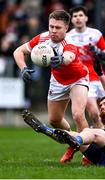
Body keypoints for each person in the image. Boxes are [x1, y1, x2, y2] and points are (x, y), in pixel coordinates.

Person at [22, 60, 105, 166]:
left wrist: (100, 74)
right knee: (71, 134)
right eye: (101, 105)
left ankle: (77, 141)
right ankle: (46, 129)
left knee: (88, 132)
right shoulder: (104, 124)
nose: (102, 106)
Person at [13, 10, 89, 161]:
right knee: (54, 120)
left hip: (78, 79)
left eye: (58, 28)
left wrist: (60, 59)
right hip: (58, 81)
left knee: (78, 115)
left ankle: (88, 153)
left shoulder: (70, 41)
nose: (53, 31)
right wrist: (23, 68)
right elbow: (18, 51)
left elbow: (69, 57)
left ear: (66, 27)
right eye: (51, 26)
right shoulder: (42, 38)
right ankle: (72, 143)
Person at [68, 6, 105, 128]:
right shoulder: (68, 37)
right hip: (84, 80)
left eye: (80, 15)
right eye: (75, 16)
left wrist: (96, 51)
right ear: (71, 20)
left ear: (86, 18)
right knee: (93, 112)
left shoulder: (96, 34)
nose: (78, 18)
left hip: (100, 77)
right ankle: (103, 139)